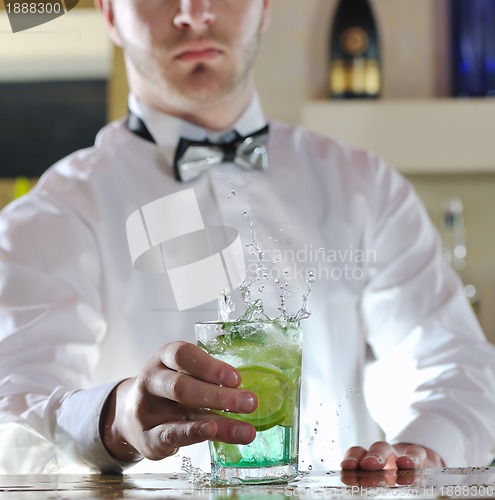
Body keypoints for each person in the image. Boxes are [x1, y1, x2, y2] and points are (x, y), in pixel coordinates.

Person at [1, 0, 494, 475]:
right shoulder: (52, 217)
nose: (195, 12)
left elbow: (455, 365)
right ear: (110, 12)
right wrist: (115, 417)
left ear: (265, 5)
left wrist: (421, 450)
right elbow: (13, 419)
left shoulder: (366, 186)